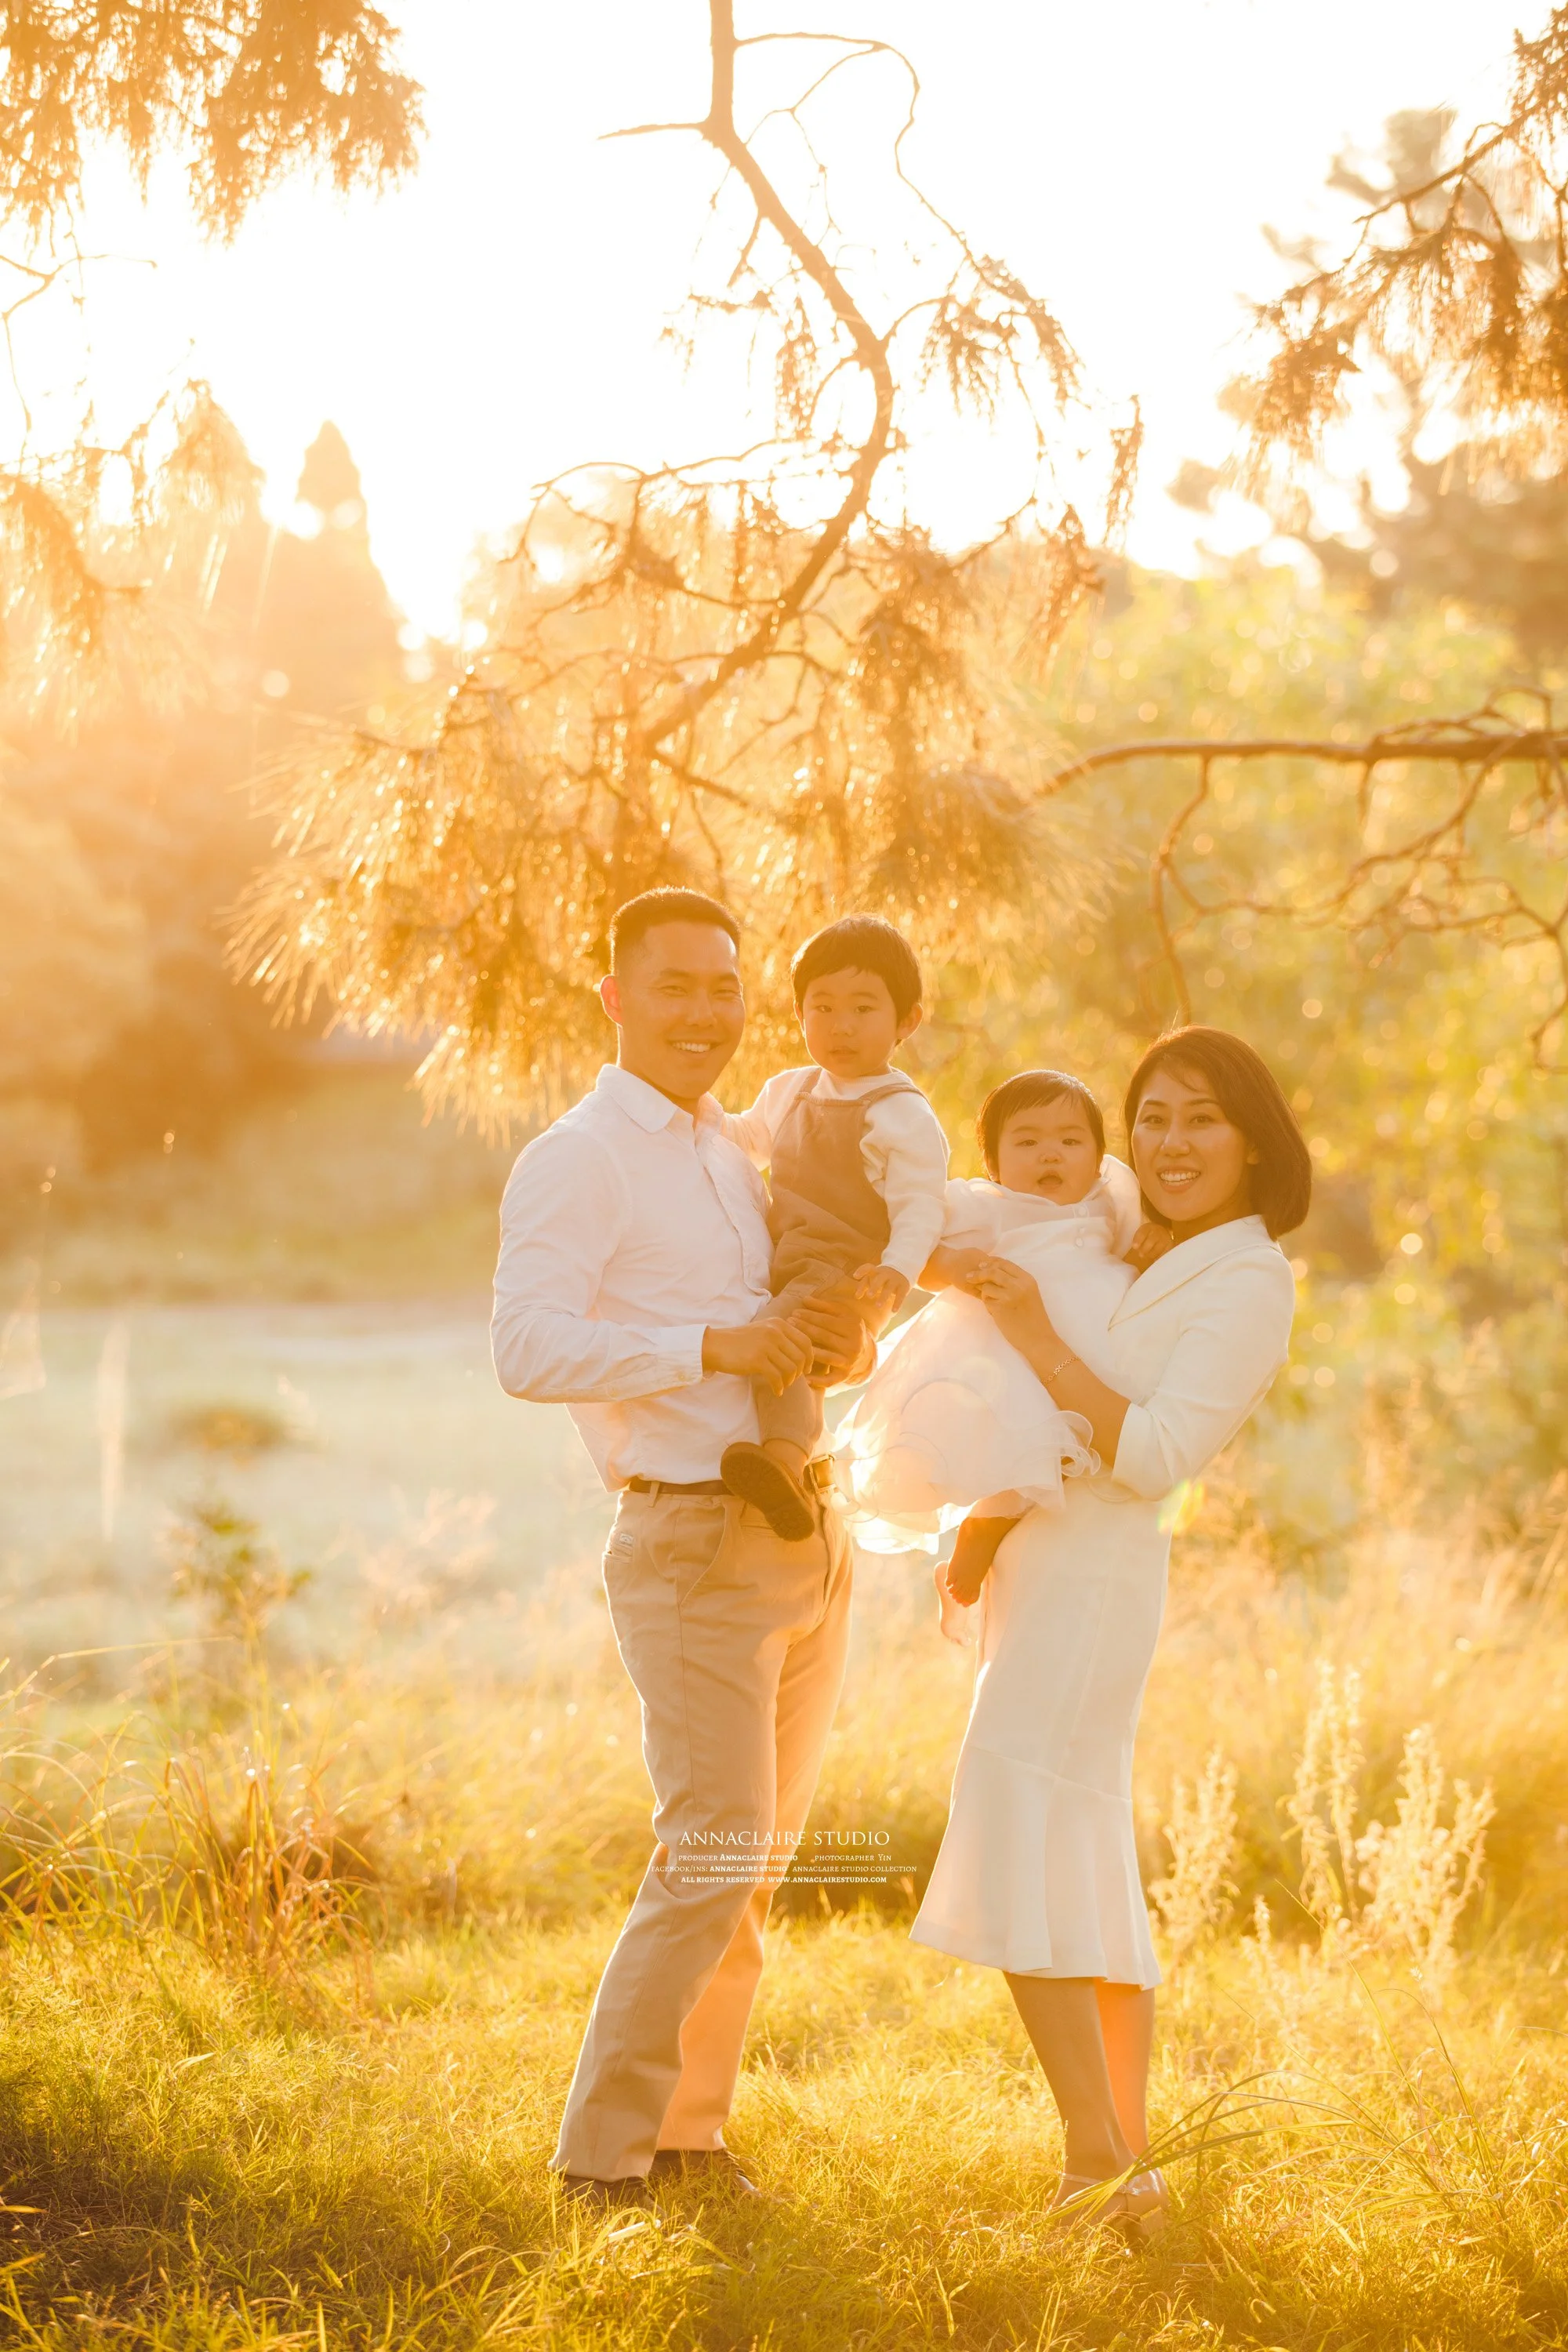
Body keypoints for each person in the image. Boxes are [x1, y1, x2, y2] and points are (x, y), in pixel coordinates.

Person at [490, 887, 869, 2206]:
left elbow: (774, 1302)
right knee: (711, 1851)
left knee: (747, 1871)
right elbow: (526, 1347)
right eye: (677, 984)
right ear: (614, 995)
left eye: (725, 984)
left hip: (806, 1529)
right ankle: (602, 2163)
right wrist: (709, 1349)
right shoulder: (580, 1154)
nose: (709, 1009)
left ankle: (691, 2141)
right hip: (690, 1542)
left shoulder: (728, 1147)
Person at [906, 1026, 1310, 2238]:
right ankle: (1130, 2165)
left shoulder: (1248, 1279)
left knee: (1024, 1821)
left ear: (1251, 1140)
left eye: (1201, 1120)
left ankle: (1094, 2164)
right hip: (1051, 1565)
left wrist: (1028, 1323)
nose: (1171, 1143)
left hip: (1095, 1576)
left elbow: (1155, 1453)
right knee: (1080, 1846)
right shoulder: (1142, 1234)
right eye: (1154, 1116)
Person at [836, 1069, 1169, 1621]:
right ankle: (985, 1525)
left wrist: (1151, 1240)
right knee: (1019, 1432)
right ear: (992, 1163)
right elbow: (911, 1241)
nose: (1050, 1155)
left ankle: (992, 1523)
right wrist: (951, 1266)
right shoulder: (982, 1205)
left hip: (1085, 1344)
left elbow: (1144, 1237)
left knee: (1067, 1440)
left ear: (1098, 1153)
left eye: (1069, 1141)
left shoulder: (1112, 1194)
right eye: (1027, 1141)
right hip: (1002, 1347)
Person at [717, 916, 950, 1540]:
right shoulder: (790, 1090)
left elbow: (920, 1207)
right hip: (793, 1257)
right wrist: (693, 1110)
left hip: (853, 1272)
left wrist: (897, 1274)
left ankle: (783, 1464)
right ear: (799, 1015)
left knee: (782, 1339)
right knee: (782, 1335)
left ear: (907, 1021)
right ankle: (786, 1466)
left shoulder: (900, 1115)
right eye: (822, 1007)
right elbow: (744, 1141)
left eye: (863, 1008)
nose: (841, 1025)